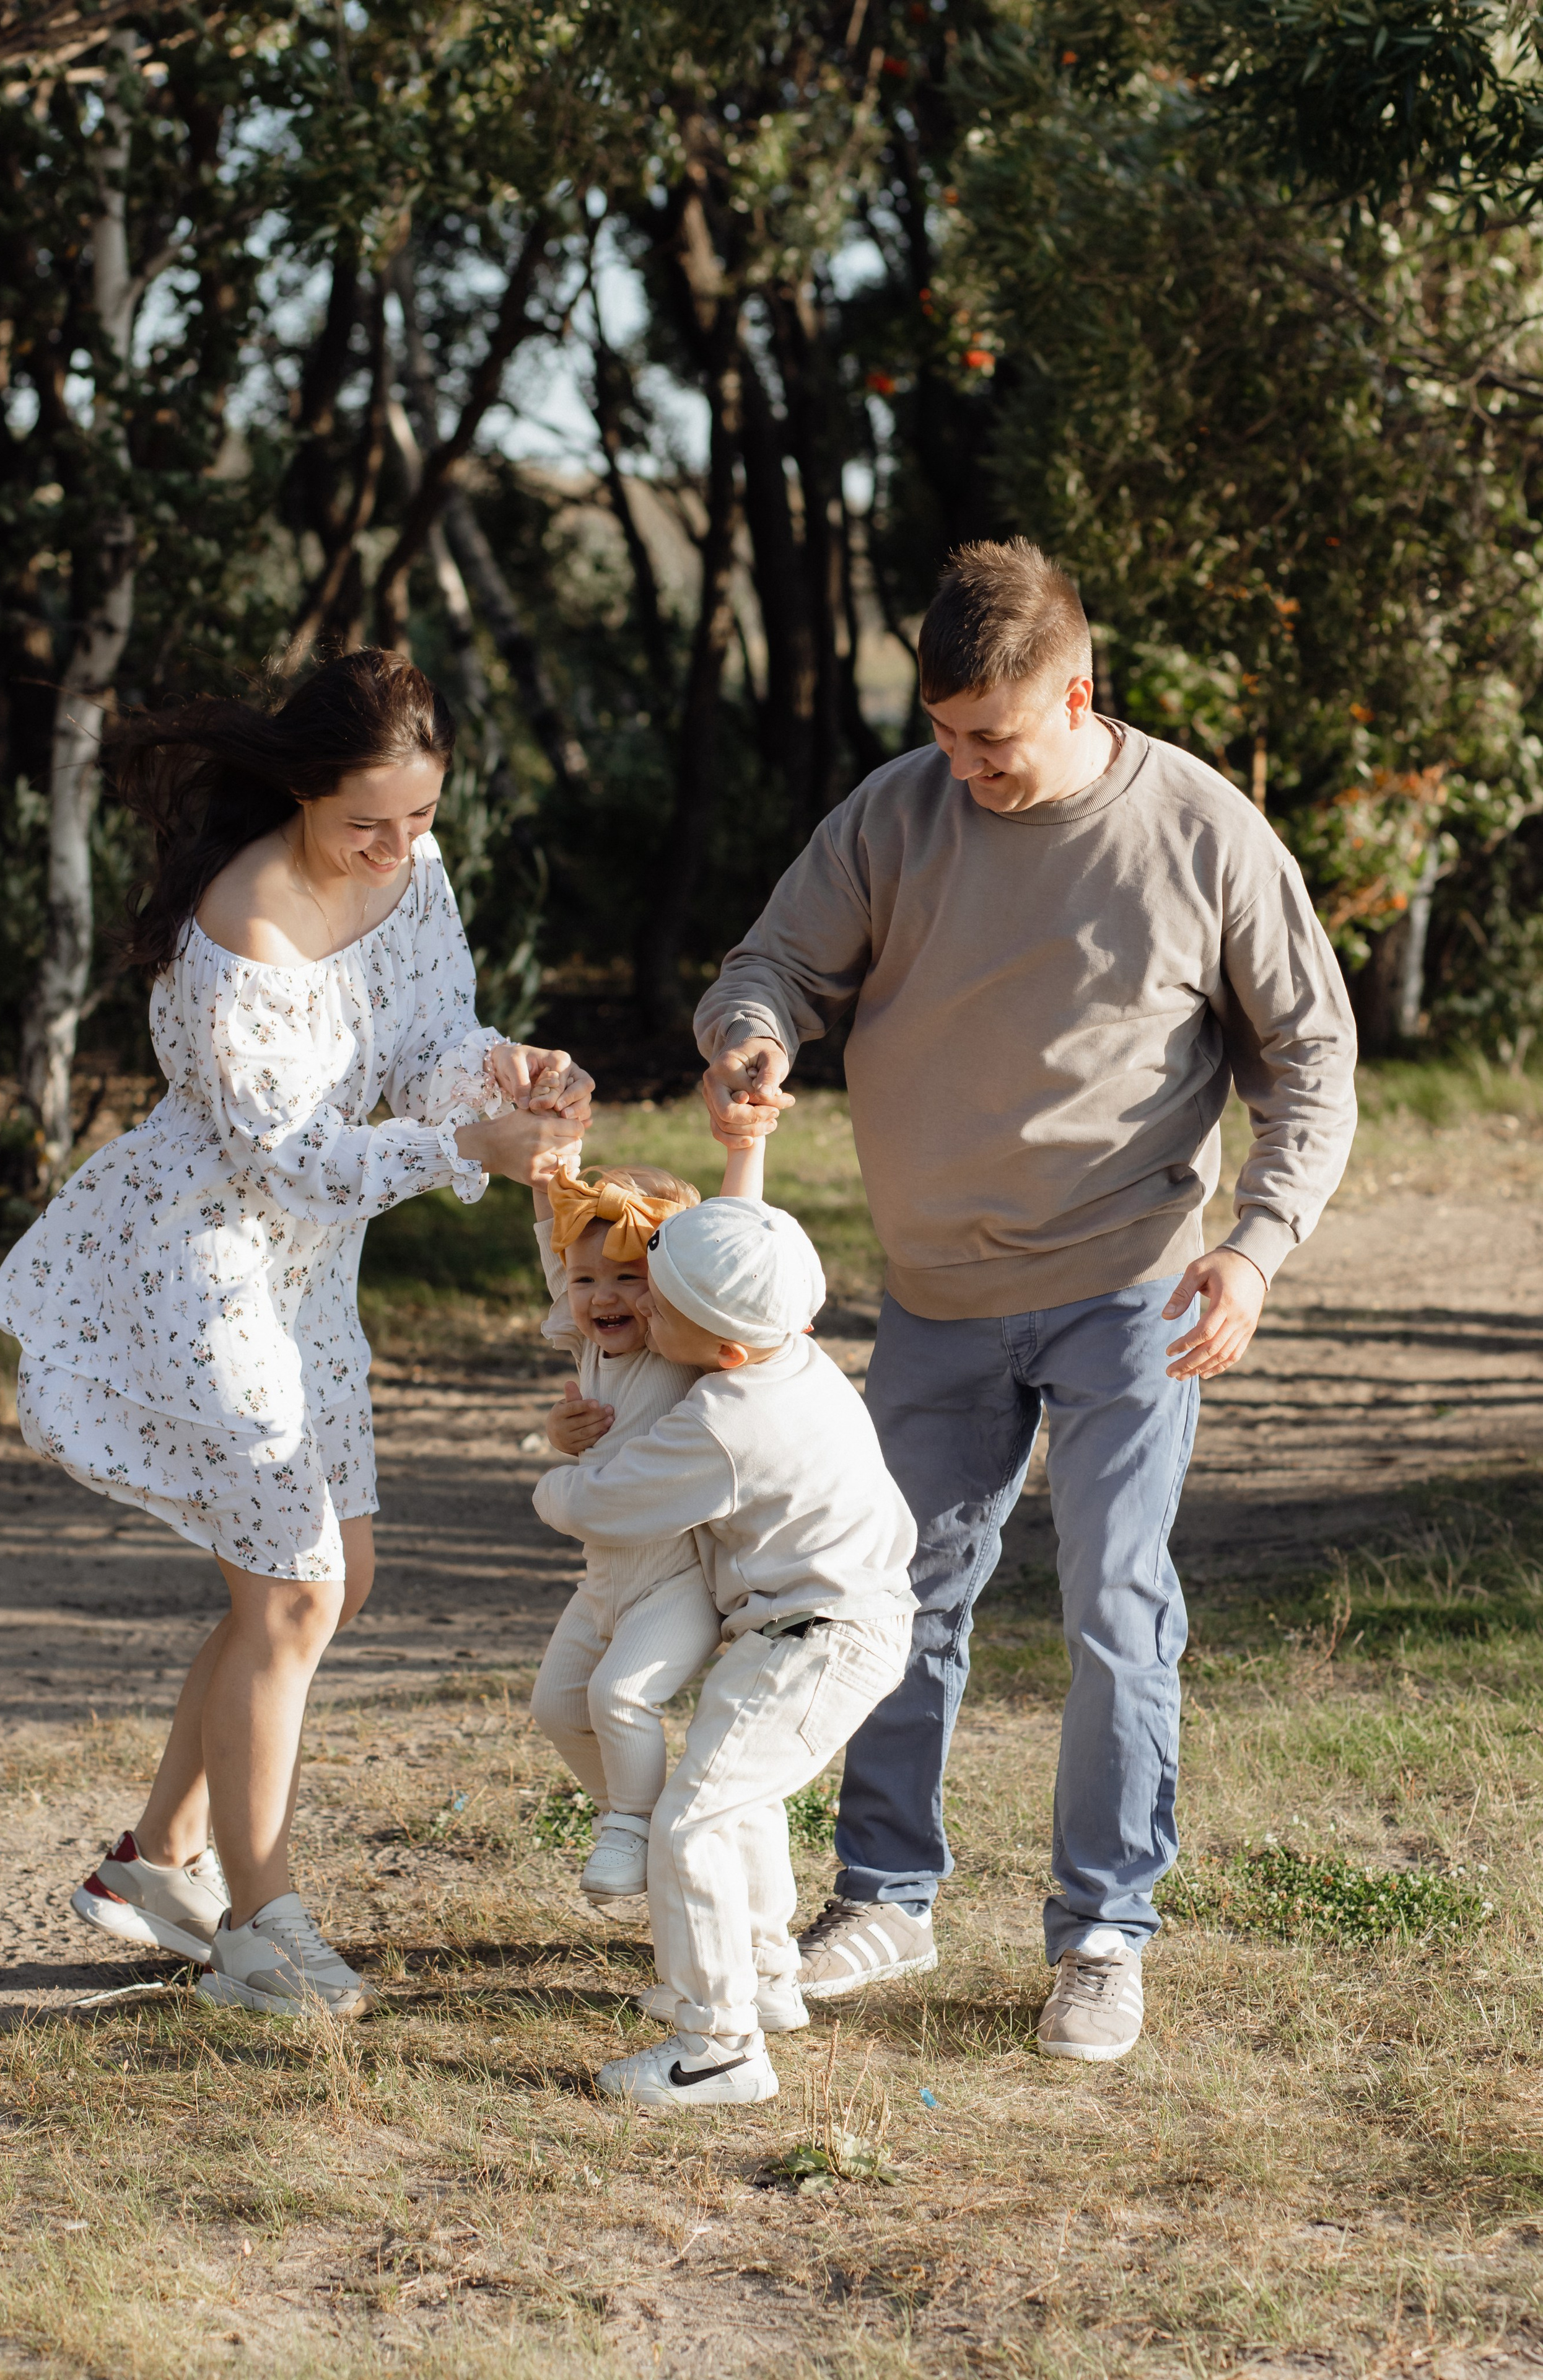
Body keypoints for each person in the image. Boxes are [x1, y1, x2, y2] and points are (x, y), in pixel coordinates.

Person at [696, 539, 1358, 2062]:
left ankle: (1102, 1930)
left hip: (1130, 1283)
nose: (963, 764)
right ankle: (885, 1889)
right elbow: (774, 960)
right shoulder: (897, 809)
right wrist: (750, 1030)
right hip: (932, 1290)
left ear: (1076, 690)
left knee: (1113, 1603)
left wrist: (1251, 1245)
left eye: (989, 736)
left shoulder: (1197, 826)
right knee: (891, 1596)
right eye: (941, 732)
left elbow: (1307, 1056)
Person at [0, 649, 590, 2018]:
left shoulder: (410, 874)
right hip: (201, 1263)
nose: (393, 851)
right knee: (295, 1591)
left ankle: (158, 1859)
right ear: (300, 793)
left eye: (419, 820)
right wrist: (465, 1147)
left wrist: (504, 1072)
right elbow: (291, 1161)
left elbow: (430, 1034)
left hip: (307, 1280)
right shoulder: (241, 932)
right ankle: (261, 1931)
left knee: (329, 1578)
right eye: (365, 823)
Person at [533, 1197, 917, 2109]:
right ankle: (766, 1976)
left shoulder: (727, 1422)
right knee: (732, 1799)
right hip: (804, 1626)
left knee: (696, 1819)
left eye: (657, 1306)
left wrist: (555, 1481)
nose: (639, 1311)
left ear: (728, 1352)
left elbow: (603, 1504)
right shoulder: (792, 1355)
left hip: (820, 1640)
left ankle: (718, 2048)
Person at [525, 1140, 764, 1903]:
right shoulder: (586, 1339)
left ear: (670, 1287)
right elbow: (553, 1245)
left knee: (620, 1697)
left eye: (630, 1278)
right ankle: (640, 1821)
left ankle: (632, 1826)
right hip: (604, 1577)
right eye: (588, 1278)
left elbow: (735, 1229)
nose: (603, 1297)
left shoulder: (677, 1343)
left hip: (676, 1578)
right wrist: (560, 1432)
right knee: (558, 1705)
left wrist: (744, 1145)